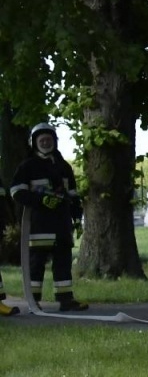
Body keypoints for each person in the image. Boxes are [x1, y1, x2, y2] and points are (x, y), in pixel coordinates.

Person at [9, 122, 88, 312]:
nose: (46, 143)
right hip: (39, 225)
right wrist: (41, 200)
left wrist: (77, 219)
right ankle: (33, 301)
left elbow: (73, 195)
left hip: (62, 225)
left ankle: (66, 300)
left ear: (55, 141)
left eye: (49, 139)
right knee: (36, 264)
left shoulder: (63, 167)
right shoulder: (27, 166)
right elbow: (16, 191)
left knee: (63, 264)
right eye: (42, 140)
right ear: (34, 143)